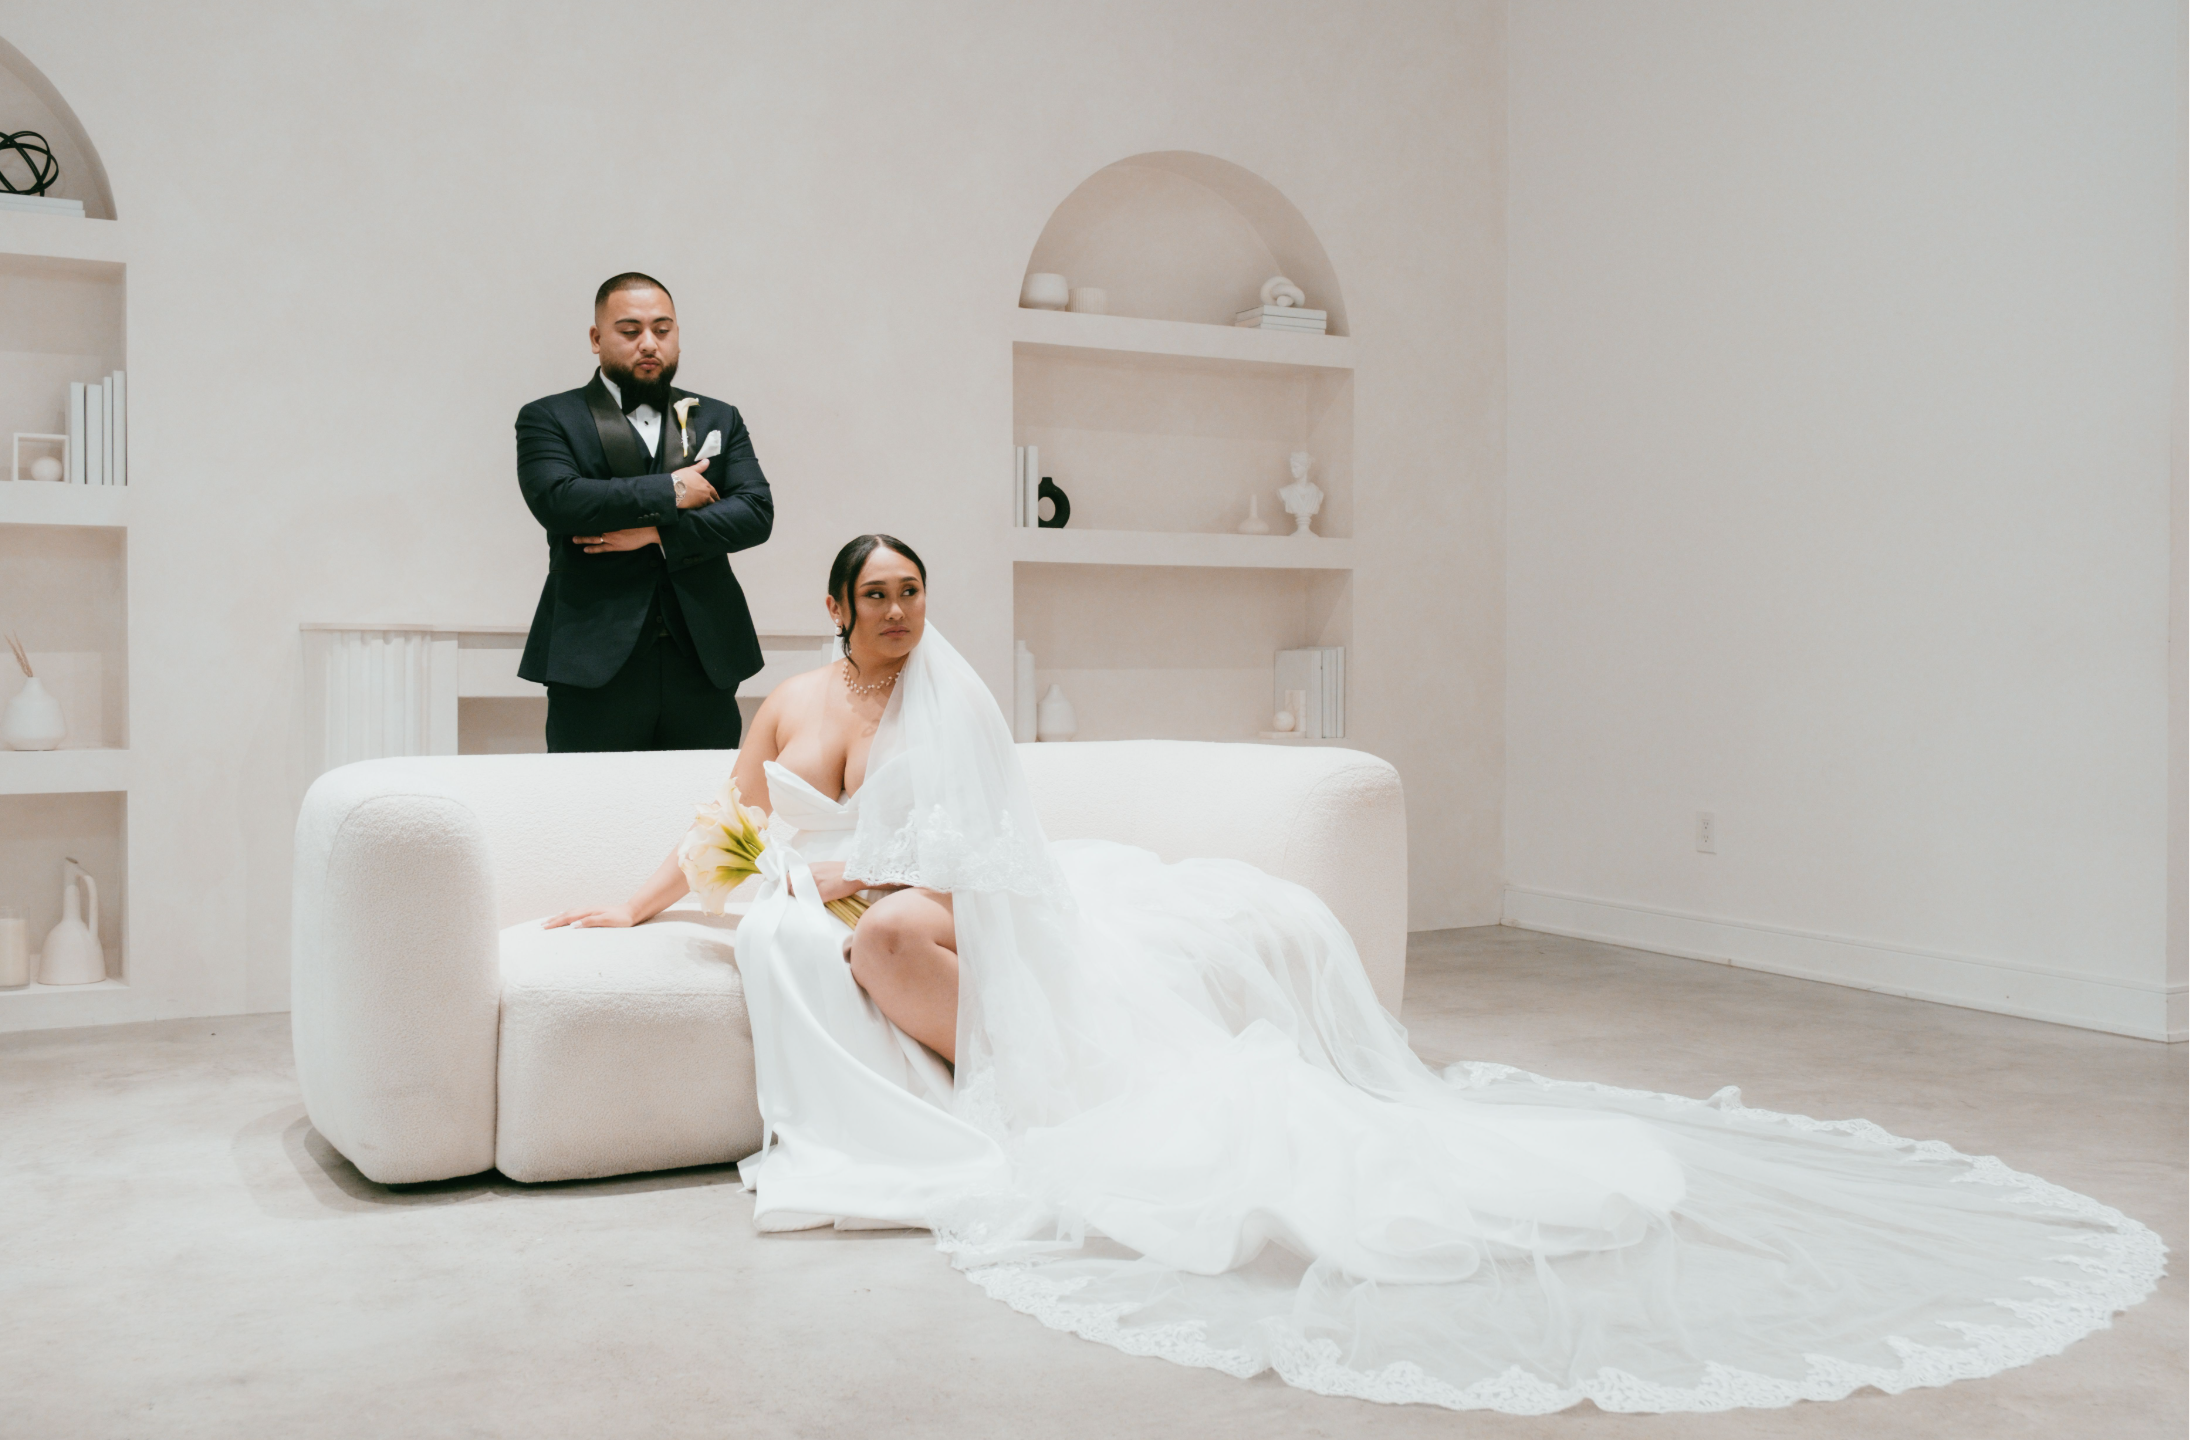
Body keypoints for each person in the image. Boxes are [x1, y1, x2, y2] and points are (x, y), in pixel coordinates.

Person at [543, 535, 2161, 1416]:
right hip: (838, 907)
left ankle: (1027, 1088)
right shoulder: (783, 709)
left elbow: (990, 851)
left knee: (901, 930)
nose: (896, 613)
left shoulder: (949, 706)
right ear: (833, 608)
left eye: (913, 591)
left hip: (950, 905)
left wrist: (877, 879)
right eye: (873, 595)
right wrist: (640, 909)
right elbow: (726, 837)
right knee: (862, 934)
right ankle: (982, 1057)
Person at [514, 272, 773, 751]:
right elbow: (560, 501)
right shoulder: (549, 417)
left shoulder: (718, 417)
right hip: (593, 658)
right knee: (590, 811)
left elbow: (755, 513)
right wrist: (673, 488)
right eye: (630, 331)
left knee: (704, 813)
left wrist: (656, 533)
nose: (649, 343)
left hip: (704, 655)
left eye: (662, 329)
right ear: (597, 338)